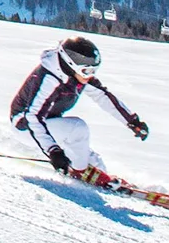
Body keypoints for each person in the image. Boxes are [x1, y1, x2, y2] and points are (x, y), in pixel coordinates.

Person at [9, 36, 149, 176]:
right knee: (78, 128)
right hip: (25, 126)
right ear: (71, 64)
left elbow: (103, 96)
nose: (91, 75)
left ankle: (99, 174)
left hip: (48, 124)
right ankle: (79, 172)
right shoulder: (50, 79)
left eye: (95, 70)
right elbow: (33, 117)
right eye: (87, 71)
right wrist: (53, 151)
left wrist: (132, 121)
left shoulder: (76, 76)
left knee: (91, 159)